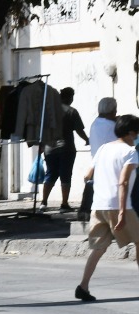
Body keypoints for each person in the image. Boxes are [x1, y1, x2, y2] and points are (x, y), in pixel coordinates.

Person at [76, 113, 139, 302]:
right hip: (120, 206)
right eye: (136, 133)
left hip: (99, 205)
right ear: (129, 133)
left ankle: (83, 286)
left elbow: (87, 175)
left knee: (98, 248)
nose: (136, 136)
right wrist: (121, 212)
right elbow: (124, 182)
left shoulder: (103, 149)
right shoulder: (130, 152)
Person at [41, 87, 89, 212]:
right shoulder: (71, 111)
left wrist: (42, 146)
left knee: (50, 174)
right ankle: (64, 203)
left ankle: (43, 202)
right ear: (70, 97)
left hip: (49, 148)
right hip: (66, 148)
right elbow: (79, 130)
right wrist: (87, 139)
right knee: (65, 175)